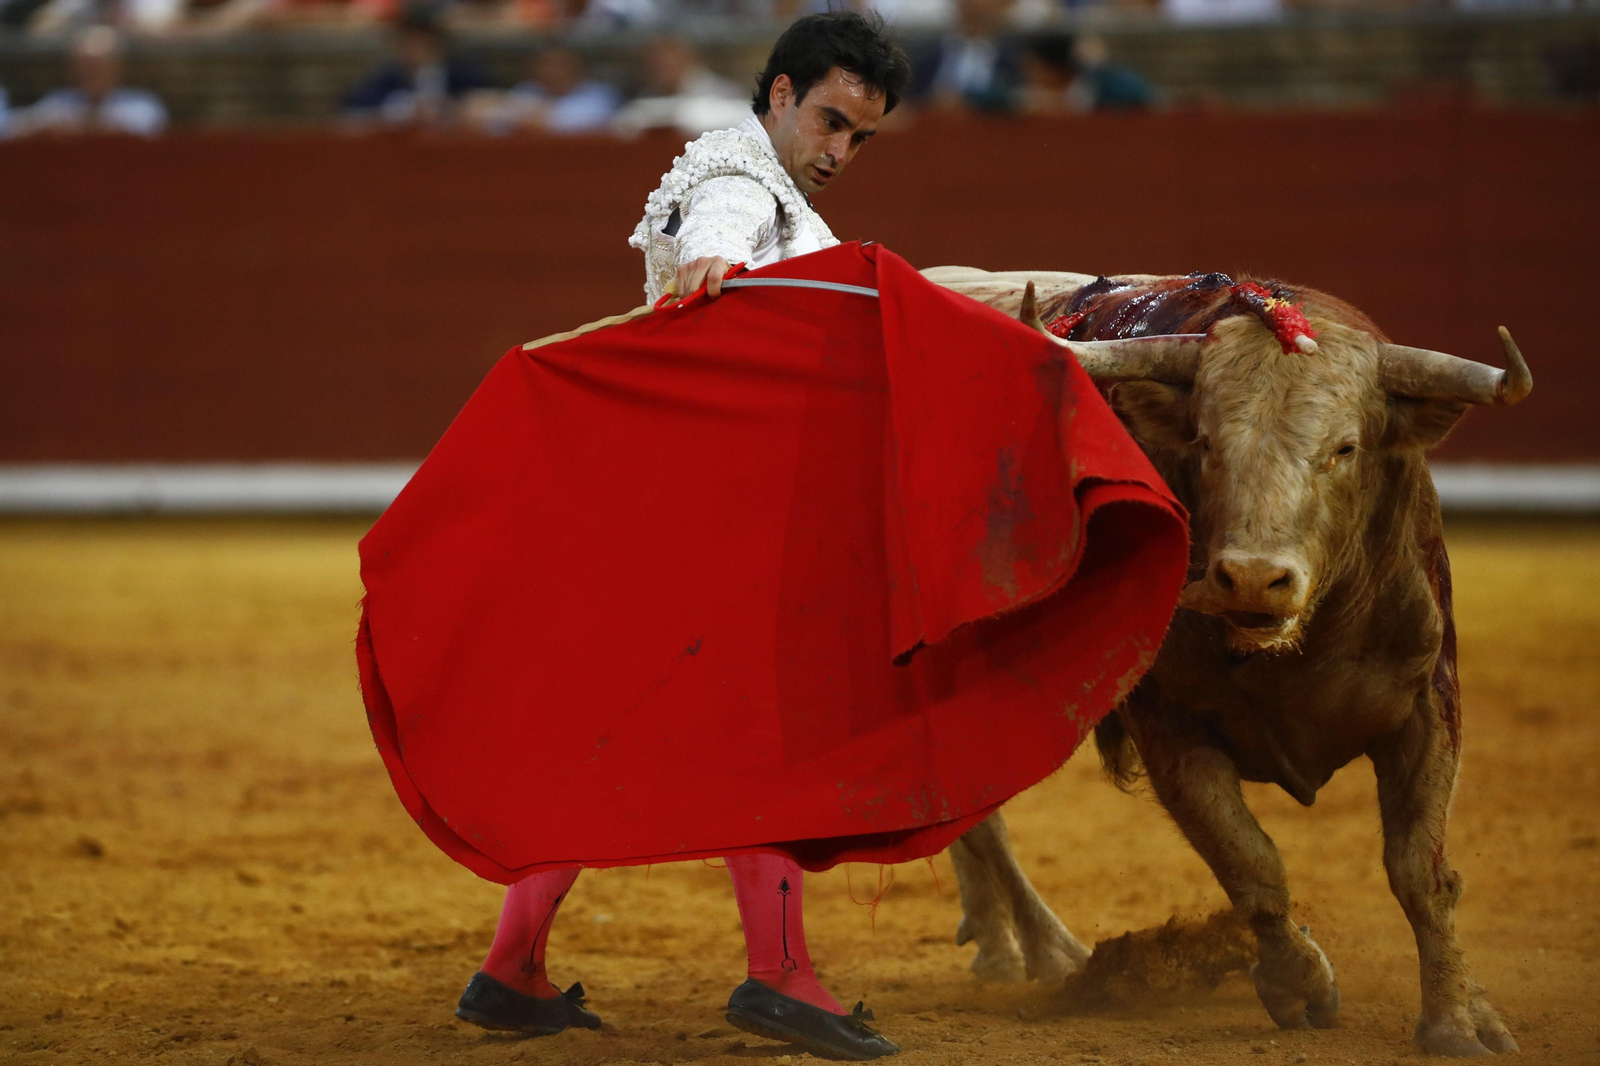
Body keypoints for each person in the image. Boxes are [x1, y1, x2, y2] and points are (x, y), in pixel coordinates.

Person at [452, 12, 912, 1062]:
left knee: (606, 744)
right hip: (722, 532)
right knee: (765, 744)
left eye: (861, 138)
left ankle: (512, 967)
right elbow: (721, 232)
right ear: (782, 93)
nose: (839, 151)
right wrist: (714, 265)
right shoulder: (739, 183)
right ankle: (781, 973)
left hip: (665, 521)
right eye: (830, 121)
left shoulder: (759, 176)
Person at [341, 1, 492, 128]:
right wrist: (398, 110)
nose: (417, 48)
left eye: (424, 40)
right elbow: (351, 111)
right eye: (410, 41)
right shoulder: (385, 77)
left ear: (438, 42)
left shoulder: (462, 73)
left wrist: (461, 107)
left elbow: (499, 100)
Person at [14, 25, 167, 136]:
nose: (92, 72)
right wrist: (44, 126)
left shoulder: (142, 104)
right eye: (85, 65)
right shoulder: (58, 102)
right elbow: (12, 129)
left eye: (99, 65)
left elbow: (152, 131)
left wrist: (89, 124)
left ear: (117, 67)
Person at [480, 45, 621, 135]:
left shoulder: (600, 95)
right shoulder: (527, 90)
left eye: (560, 65)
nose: (552, 71)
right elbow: (492, 120)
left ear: (579, 68)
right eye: (545, 65)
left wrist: (529, 117)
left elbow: (574, 126)